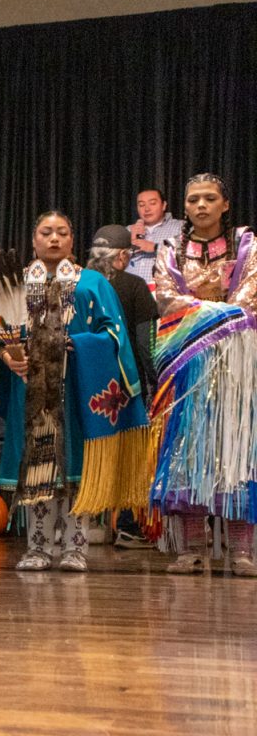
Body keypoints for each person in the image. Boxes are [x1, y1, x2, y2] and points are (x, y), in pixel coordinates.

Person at [0, 212, 148, 572]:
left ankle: (75, 547)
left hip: (78, 389)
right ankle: (37, 546)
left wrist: (78, 343)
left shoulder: (93, 283)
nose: (53, 239)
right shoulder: (16, 284)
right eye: (45, 232)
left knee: (76, 469)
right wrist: (6, 355)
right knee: (37, 468)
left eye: (61, 233)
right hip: (30, 392)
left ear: (72, 239)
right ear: (34, 239)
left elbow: (115, 333)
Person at [150, 173, 257, 576]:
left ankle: (242, 550)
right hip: (187, 361)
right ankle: (192, 548)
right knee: (187, 450)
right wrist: (216, 313)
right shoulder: (170, 251)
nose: (201, 205)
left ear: (225, 204)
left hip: (237, 362)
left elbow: (250, 294)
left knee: (237, 450)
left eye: (209, 198)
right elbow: (167, 297)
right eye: (193, 198)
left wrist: (207, 314)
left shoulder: (247, 245)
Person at [85, 224, 159, 549]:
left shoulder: (80, 285)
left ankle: (88, 525)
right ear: (125, 256)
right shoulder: (135, 286)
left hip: (88, 385)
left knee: (92, 450)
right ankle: (128, 526)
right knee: (130, 453)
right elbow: (146, 343)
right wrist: (155, 380)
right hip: (125, 386)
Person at [127, 188, 184, 288]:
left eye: (152, 203)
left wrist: (156, 247)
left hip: (165, 294)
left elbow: (188, 255)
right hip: (128, 294)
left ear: (164, 205)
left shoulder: (180, 227)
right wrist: (131, 244)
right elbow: (110, 263)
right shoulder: (128, 230)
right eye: (141, 205)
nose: (147, 209)